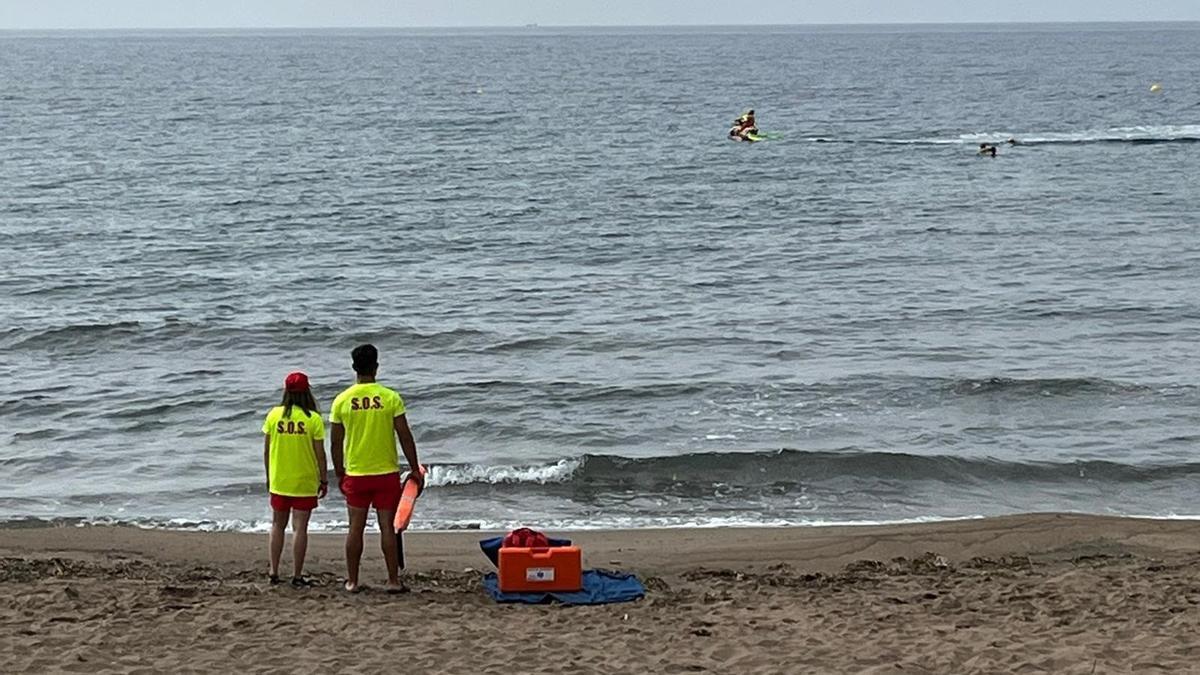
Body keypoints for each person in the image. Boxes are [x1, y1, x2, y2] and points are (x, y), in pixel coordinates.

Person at [330, 344, 422, 593]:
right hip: (385, 474)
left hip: (356, 474)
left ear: (354, 368)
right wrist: (414, 467)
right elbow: (404, 435)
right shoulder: (390, 397)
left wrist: (339, 472)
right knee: (387, 528)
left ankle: (352, 581)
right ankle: (393, 580)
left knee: (355, 528)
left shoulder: (342, 400)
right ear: (376, 367)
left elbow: (336, 442)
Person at [262, 371, 328, 587]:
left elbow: (267, 450)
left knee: (277, 525)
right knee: (300, 528)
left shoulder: (274, 415)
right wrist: (324, 479)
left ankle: (273, 570)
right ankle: (297, 575)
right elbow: (320, 454)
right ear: (307, 392)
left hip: (280, 479)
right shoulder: (313, 419)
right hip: (304, 481)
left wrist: (269, 476)